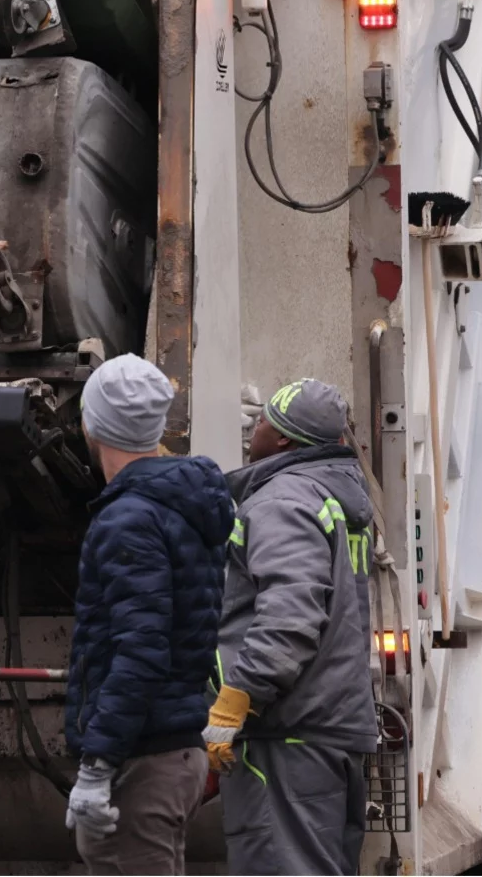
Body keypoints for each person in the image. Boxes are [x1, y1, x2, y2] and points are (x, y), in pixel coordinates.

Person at [63, 353, 234, 875]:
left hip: (142, 759)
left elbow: (141, 651)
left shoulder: (129, 519)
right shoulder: (179, 506)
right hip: (172, 750)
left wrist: (98, 764)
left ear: (92, 425)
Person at [205, 379, 377, 876]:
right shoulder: (333, 500)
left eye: (262, 420)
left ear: (283, 438)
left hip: (287, 735)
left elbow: (289, 618)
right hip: (328, 729)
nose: (253, 428)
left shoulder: (282, 502)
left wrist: (237, 700)